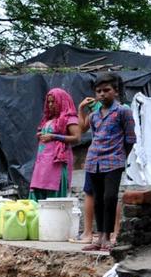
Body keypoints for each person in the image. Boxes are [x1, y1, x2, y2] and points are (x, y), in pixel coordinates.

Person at [78, 73, 136, 253]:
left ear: (116, 92)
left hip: (114, 161)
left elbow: (130, 138)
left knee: (110, 198)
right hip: (94, 160)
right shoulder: (94, 115)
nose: (102, 94)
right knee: (97, 200)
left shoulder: (123, 111)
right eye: (99, 91)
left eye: (106, 90)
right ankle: (99, 238)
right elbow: (88, 132)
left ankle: (108, 238)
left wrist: (121, 157)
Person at [29, 88, 81, 200]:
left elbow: (76, 138)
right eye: (49, 102)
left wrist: (54, 136)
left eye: (54, 101)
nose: (51, 105)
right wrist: (42, 135)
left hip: (57, 163)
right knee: (38, 191)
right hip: (43, 163)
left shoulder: (69, 118)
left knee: (53, 196)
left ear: (62, 101)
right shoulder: (48, 119)